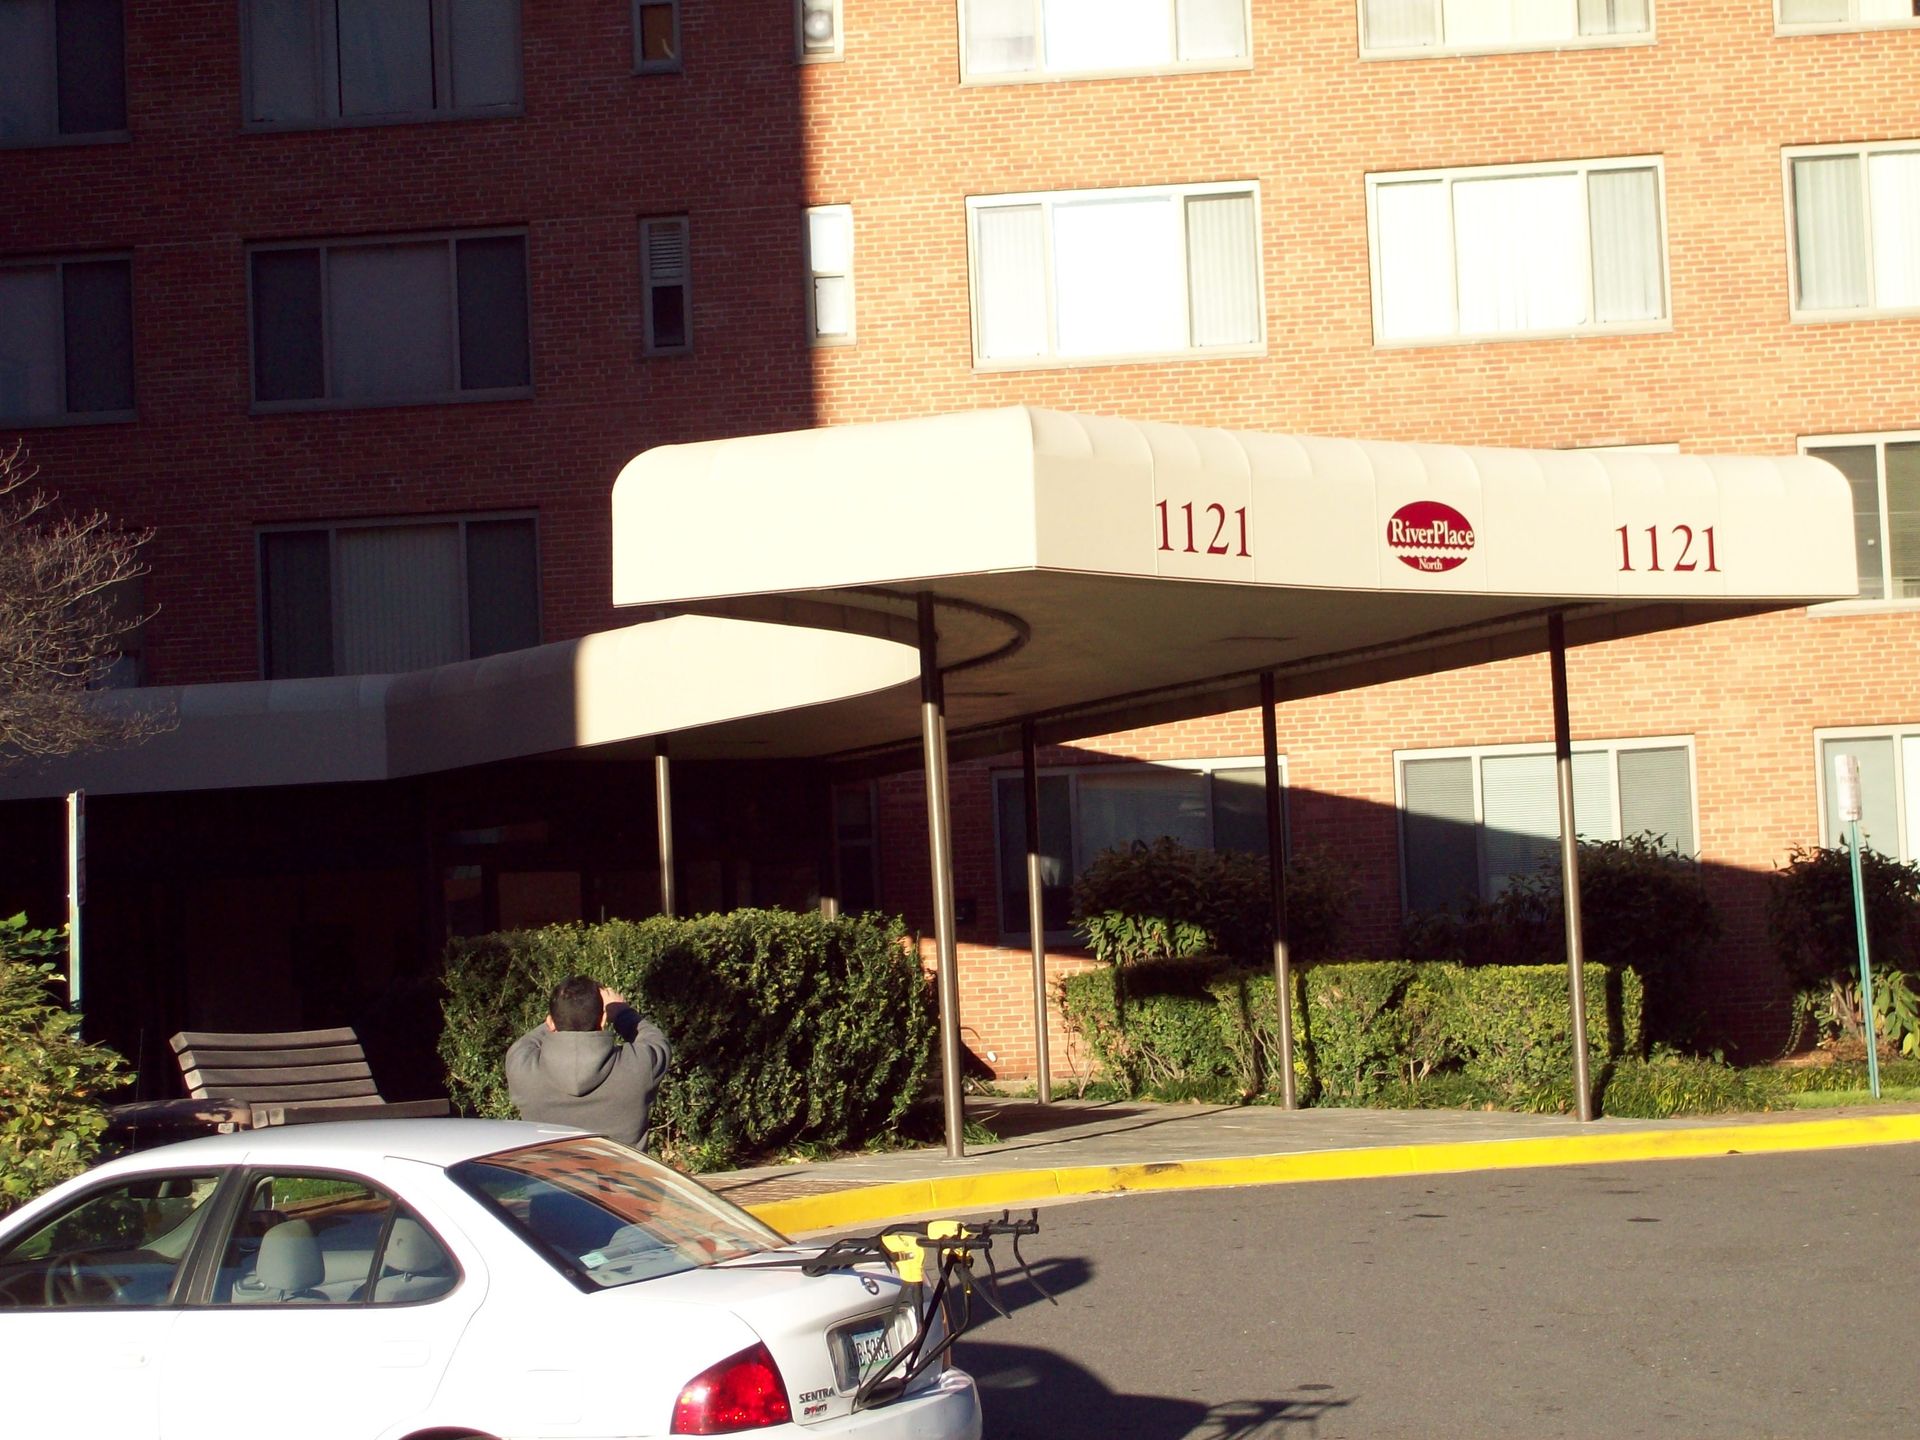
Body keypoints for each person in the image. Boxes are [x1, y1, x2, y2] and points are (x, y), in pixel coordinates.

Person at [505, 975, 671, 1147]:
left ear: (551, 1022)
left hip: (547, 1166)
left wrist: (560, 1019)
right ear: (603, 1019)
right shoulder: (638, 1066)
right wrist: (622, 1012)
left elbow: (526, 1043)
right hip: (621, 1166)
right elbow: (656, 1040)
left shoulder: (522, 1066)